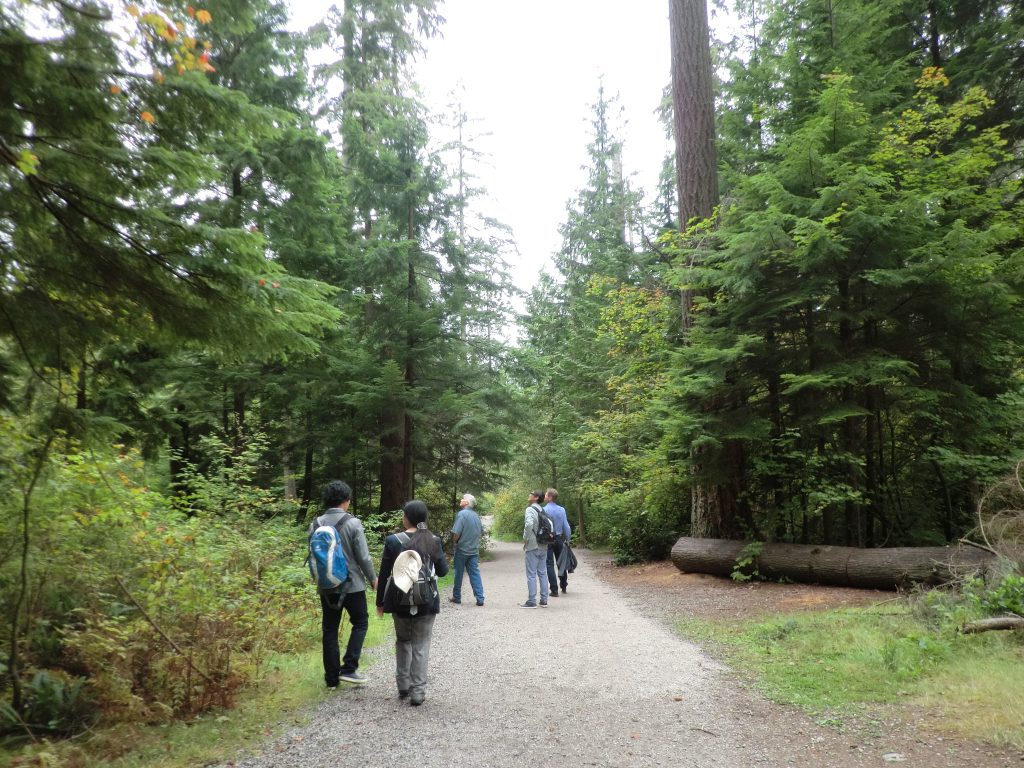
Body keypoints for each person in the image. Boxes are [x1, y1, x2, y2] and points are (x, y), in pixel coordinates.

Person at [376, 500, 449, 706]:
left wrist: (380, 602)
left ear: (406, 518)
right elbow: (443, 571)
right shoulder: (433, 540)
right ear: (424, 518)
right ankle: (418, 693)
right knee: (421, 644)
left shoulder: (393, 541)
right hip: (426, 602)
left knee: (403, 641)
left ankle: (403, 685)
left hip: (399, 601)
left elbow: (384, 573)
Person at [308, 480, 378, 688]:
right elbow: (363, 556)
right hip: (352, 585)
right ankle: (349, 668)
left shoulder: (315, 524)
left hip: (326, 585)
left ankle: (331, 679)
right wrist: (373, 578)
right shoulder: (353, 523)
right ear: (346, 500)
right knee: (361, 622)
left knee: (329, 629)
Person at [449, 492, 485, 606]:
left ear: (467, 502)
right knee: (475, 574)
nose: (461, 500)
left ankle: (457, 597)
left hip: (462, 550)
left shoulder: (462, 514)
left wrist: (454, 543)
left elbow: (456, 533)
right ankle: (480, 598)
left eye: (463, 499)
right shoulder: (476, 516)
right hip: (474, 550)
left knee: (458, 574)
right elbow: (481, 532)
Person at [521, 490, 549, 608]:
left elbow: (528, 524)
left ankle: (532, 601)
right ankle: (544, 600)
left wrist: (525, 538)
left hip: (533, 545)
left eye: (531, 494)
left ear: (536, 497)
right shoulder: (543, 510)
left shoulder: (530, 509)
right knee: (542, 573)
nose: (529, 495)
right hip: (544, 544)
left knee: (531, 574)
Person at [544, 488, 572, 596]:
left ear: (550, 497)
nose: (545, 496)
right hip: (559, 538)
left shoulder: (544, 510)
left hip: (548, 540)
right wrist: (568, 539)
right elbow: (566, 526)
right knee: (561, 562)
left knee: (549, 564)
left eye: (546, 495)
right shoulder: (561, 510)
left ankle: (554, 590)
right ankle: (564, 585)